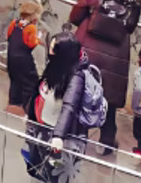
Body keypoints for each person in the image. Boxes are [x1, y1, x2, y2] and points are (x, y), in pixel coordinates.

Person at [68, 0, 141, 154]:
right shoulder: (135, 0)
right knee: (108, 98)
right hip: (116, 56)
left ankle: (78, 138)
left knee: (80, 92)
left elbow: (76, 15)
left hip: (87, 49)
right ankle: (107, 140)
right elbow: (130, 26)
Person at [23, 32, 89, 183]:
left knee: (54, 174)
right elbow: (39, 90)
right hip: (42, 127)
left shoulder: (76, 77)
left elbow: (69, 107)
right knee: (36, 168)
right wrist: (30, 115)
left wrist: (58, 136)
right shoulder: (55, 66)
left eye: (53, 48)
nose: (50, 51)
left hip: (58, 134)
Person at [6, 1, 44, 115]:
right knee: (30, 82)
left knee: (15, 80)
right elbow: (31, 43)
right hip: (24, 60)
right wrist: (38, 39)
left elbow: (8, 36)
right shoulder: (31, 28)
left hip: (11, 57)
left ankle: (13, 103)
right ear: (34, 15)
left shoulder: (14, 23)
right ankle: (28, 106)